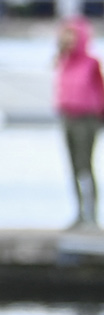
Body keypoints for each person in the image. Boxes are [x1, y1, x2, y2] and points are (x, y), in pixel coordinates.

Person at [54, 18, 102, 229]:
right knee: (73, 166)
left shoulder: (92, 62)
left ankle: (91, 216)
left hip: (87, 119)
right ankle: (79, 214)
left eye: (72, 34)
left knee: (85, 165)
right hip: (68, 117)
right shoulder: (63, 60)